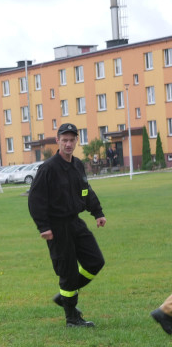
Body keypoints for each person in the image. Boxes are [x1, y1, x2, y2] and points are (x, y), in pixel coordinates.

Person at [27, 122, 107, 328]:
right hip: (56, 226)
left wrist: (97, 212)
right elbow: (35, 199)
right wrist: (43, 227)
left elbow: (85, 190)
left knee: (95, 261)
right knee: (68, 271)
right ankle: (72, 318)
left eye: (72, 140)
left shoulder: (78, 165)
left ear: (76, 141)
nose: (69, 144)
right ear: (58, 141)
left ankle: (65, 298)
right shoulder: (48, 169)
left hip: (75, 222)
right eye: (65, 140)